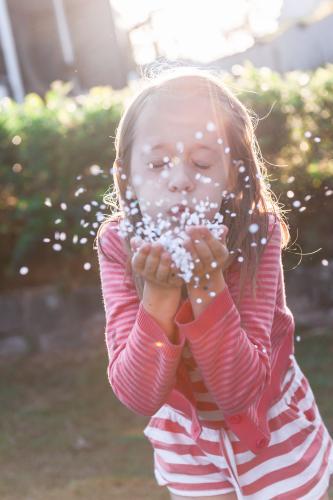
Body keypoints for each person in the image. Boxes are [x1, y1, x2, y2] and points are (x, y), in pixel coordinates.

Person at [95, 66, 333, 499]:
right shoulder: (118, 242)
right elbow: (138, 393)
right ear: (126, 175)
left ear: (233, 175)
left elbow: (240, 391)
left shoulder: (254, 233)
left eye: (202, 162)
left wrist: (208, 286)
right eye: (157, 162)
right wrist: (161, 296)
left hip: (273, 429)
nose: (180, 179)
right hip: (188, 444)